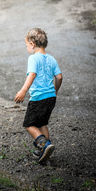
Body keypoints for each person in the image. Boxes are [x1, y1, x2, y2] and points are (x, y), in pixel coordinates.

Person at [14, 28, 63, 163]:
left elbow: (32, 75)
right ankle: (45, 151)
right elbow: (59, 77)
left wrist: (23, 91)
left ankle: (44, 145)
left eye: (26, 45)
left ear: (32, 43)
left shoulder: (33, 58)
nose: (27, 48)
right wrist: (55, 90)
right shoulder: (52, 59)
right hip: (51, 97)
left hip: (38, 98)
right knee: (42, 123)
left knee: (29, 124)